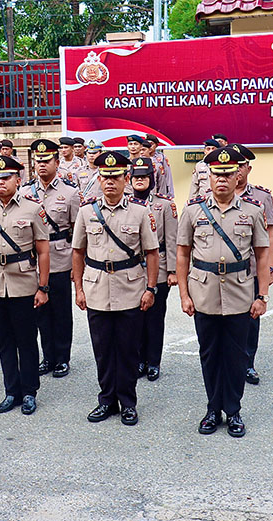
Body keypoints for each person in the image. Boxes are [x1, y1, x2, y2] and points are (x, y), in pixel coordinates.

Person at [176, 146, 270, 438]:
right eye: (216, 173)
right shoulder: (193, 210)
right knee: (210, 354)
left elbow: (262, 254)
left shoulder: (252, 211)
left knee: (236, 356)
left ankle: (234, 410)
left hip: (240, 293)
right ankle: (213, 408)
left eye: (228, 174)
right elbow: (182, 254)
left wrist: (262, 295)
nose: (222, 179)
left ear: (237, 176)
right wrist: (183, 294)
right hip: (203, 293)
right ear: (209, 176)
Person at [72, 151, 158, 426]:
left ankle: (128, 403)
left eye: (116, 177)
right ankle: (107, 400)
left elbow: (152, 253)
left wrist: (151, 288)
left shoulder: (140, 212)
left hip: (130, 289)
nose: (110, 182)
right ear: (99, 179)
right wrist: (79, 289)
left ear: (126, 180)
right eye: (105, 177)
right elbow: (77, 252)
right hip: (96, 289)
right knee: (103, 349)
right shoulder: (87, 212)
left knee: (128, 350)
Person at [0, 155, 50, 415]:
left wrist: (43, 287)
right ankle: (11, 391)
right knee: (4, 341)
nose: (1, 183)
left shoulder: (32, 209)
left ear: (18, 180)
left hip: (23, 284)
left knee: (26, 341)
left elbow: (42, 250)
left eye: (6, 178)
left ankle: (29, 392)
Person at [24, 139, 80, 378]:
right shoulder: (25, 192)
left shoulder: (70, 193)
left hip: (61, 257)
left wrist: (78, 267)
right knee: (40, 312)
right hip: (34, 261)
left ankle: (62, 358)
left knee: (61, 312)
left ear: (57, 163)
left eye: (47, 161)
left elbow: (78, 232)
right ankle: (47, 357)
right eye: (38, 161)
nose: (42, 165)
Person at [232, 144, 273, 386]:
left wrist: (269, 268)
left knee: (251, 316)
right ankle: (227, 362)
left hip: (252, 267)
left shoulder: (262, 197)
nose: (236, 171)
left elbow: (270, 235)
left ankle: (247, 363)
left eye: (241, 166)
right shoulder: (213, 195)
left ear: (248, 168)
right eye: (233, 167)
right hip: (226, 270)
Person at [129, 157, 177, 382]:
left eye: (144, 177)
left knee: (155, 318)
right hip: (132, 270)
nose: (140, 180)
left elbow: (172, 239)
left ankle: (153, 362)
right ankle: (138, 360)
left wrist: (173, 271)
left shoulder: (164, 205)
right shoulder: (125, 203)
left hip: (158, 268)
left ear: (152, 178)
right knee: (135, 318)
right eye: (136, 177)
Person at [144, 133, 175, 198]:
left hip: (160, 188)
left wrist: (170, 193)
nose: (149, 146)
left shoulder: (161, 157)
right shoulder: (141, 157)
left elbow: (168, 175)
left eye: (151, 144)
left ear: (156, 145)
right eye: (147, 144)